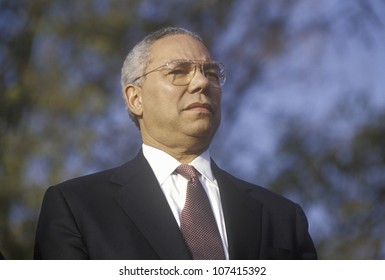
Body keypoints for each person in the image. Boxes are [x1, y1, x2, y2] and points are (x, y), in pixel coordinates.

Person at [34, 26, 317, 260]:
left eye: (211, 73)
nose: (201, 83)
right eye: (178, 72)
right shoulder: (77, 207)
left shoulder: (282, 217)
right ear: (136, 98)